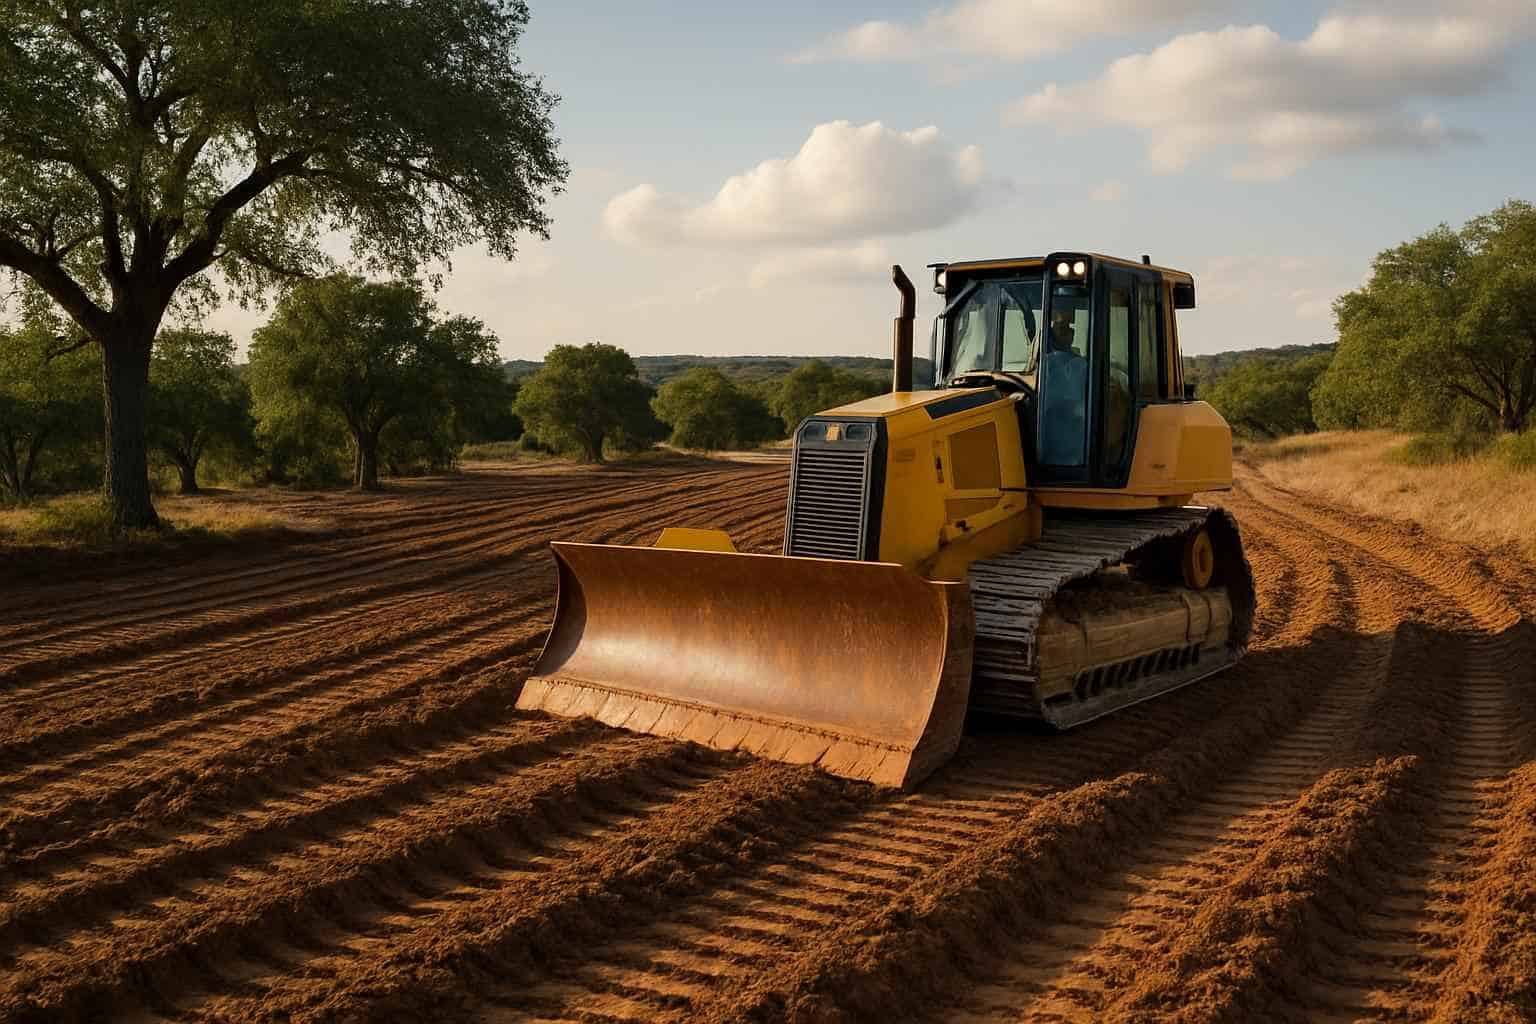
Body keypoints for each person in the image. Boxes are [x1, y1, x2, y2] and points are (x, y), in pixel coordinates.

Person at [1041, 311, 1088, 465]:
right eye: (1063, 329)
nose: (1071, 333)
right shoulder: (1048, 364)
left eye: (1070, 329)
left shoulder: (1079, 365)